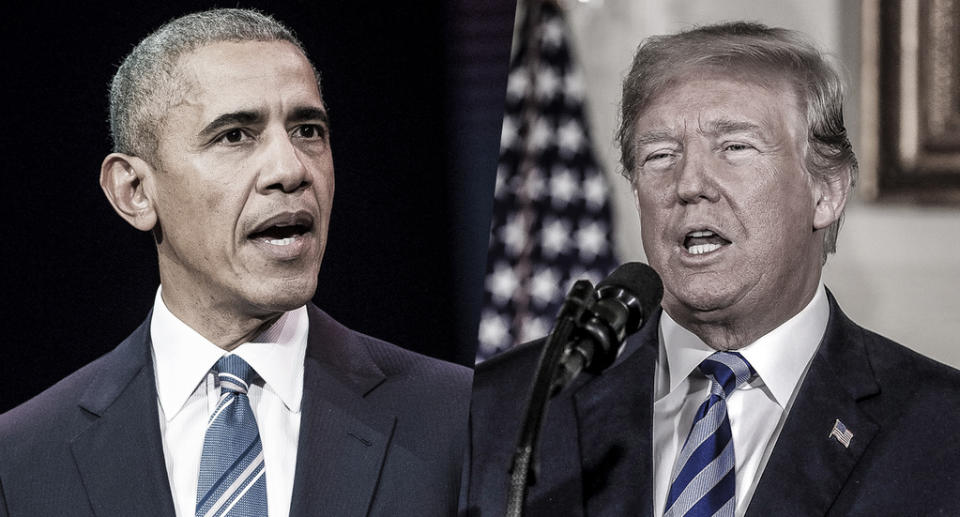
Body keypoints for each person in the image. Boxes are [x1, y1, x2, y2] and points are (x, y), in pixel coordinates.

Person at [465, 22, 960, 516]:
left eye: (735, 147)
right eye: (660, 155)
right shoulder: (501, 409)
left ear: (826, 191)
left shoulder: (942, 430)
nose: (689, 184)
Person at [0, 9, 470, 516]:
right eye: (235, 136)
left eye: (308, 130)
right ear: (134, 191)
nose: (291, 170)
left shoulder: (462, 418)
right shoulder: (22, 458)